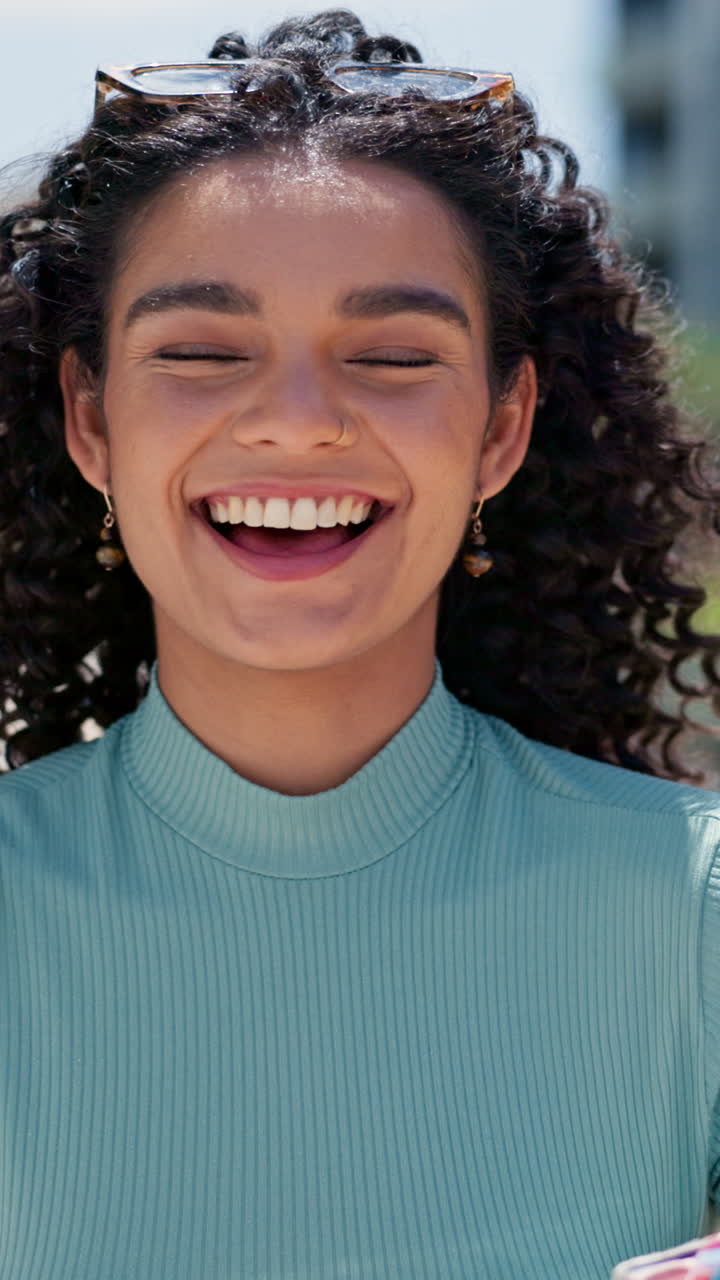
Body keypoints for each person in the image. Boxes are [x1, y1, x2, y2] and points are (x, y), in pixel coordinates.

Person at [1, 9, 719, 1277]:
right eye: (202, 351)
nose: (297, 424)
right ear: (89, 418)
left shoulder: (696, 916)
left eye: (391, 353)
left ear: (503, 428)